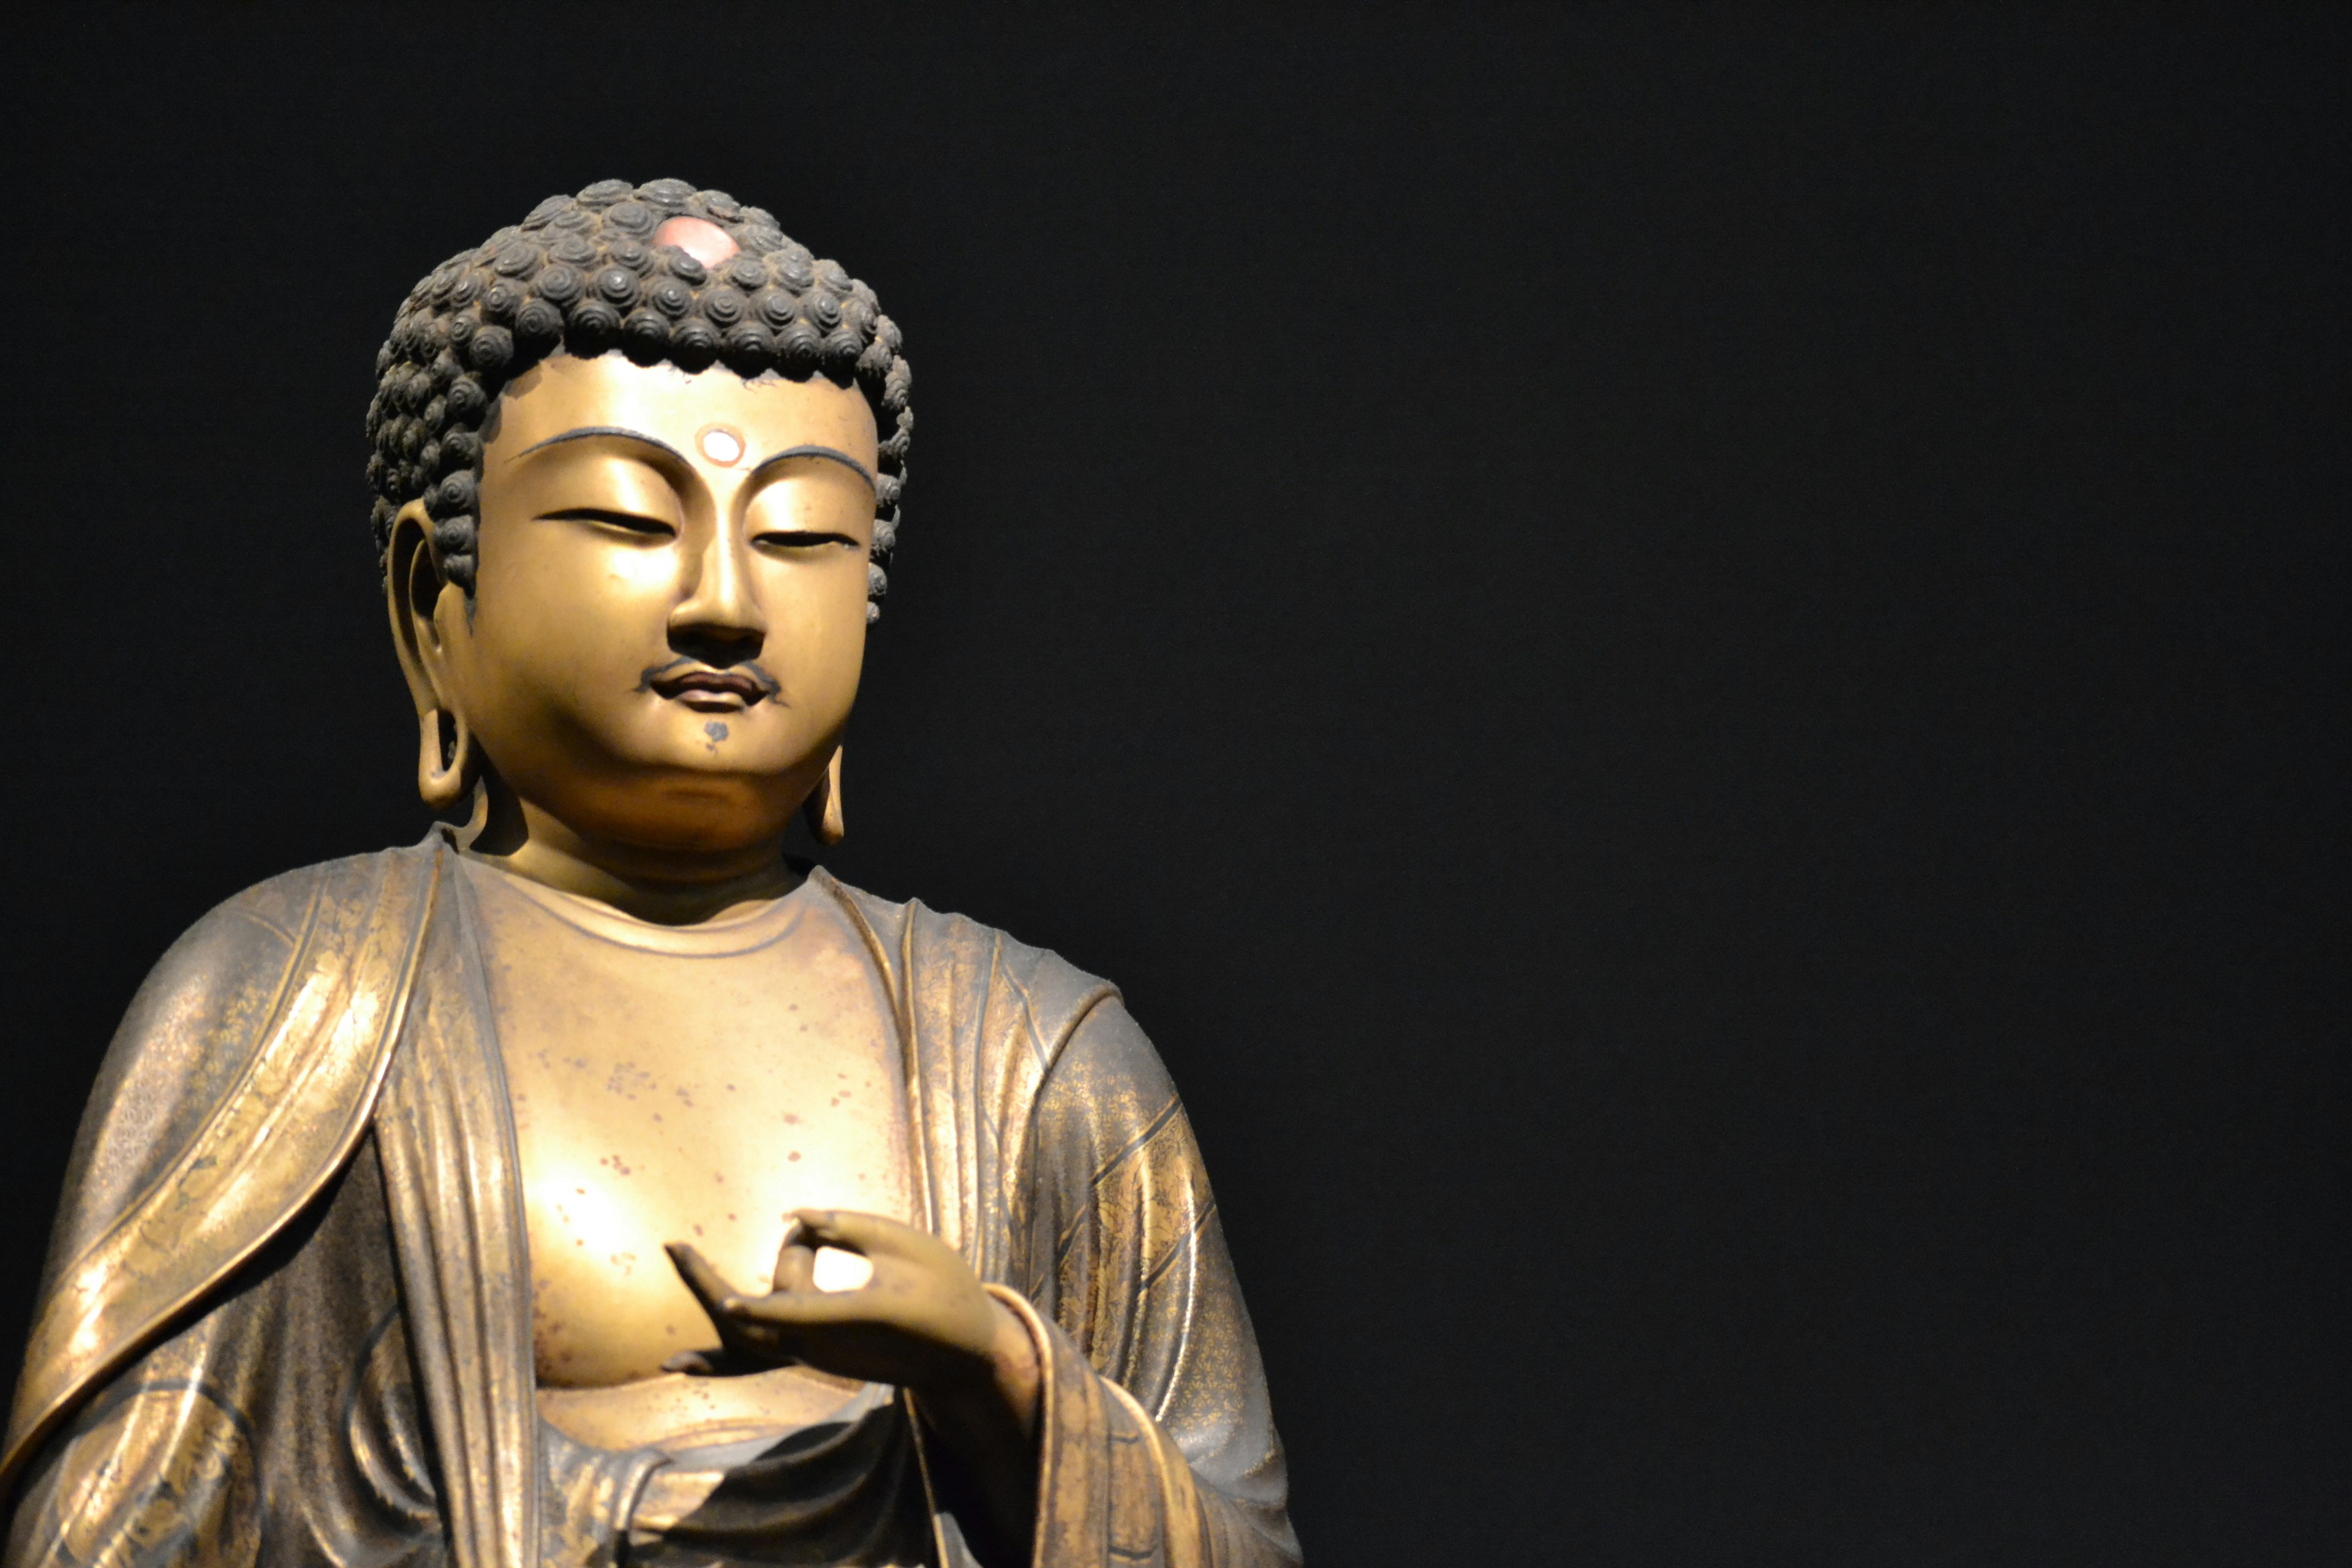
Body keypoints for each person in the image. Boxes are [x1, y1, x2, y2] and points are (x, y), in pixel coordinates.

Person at [1, 178, 1298, 1568]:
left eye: (803, 535)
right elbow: (107, 1535)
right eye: (630, 518)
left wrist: (1001, 1374)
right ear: (429, 601)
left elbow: (1244, 1544)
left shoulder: (1046, 1065)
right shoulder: (285, 1004)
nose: (726, 602)